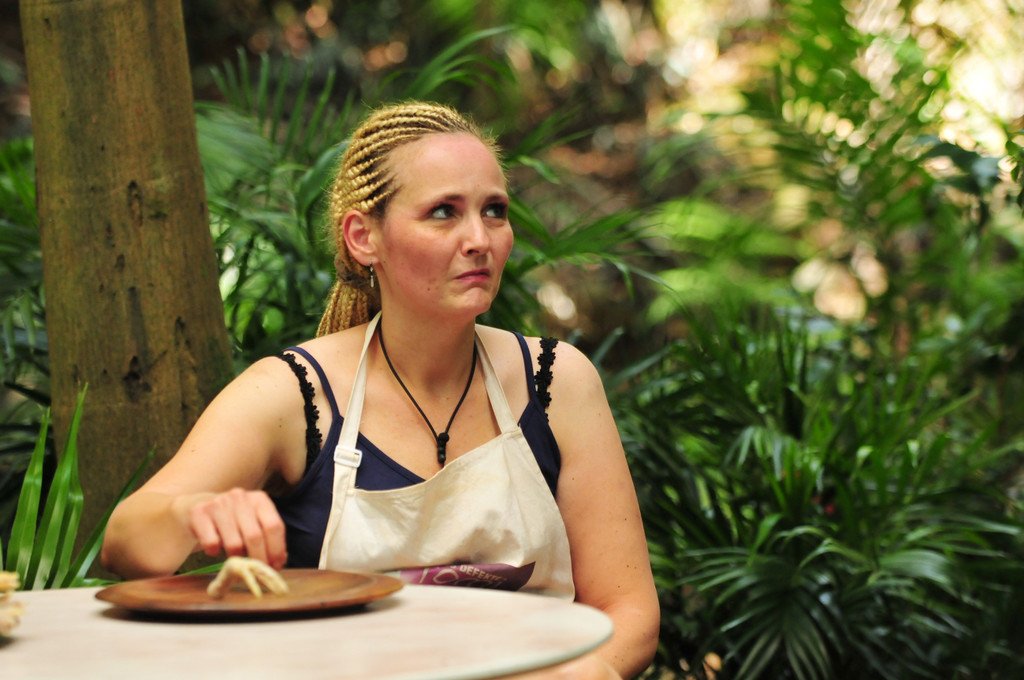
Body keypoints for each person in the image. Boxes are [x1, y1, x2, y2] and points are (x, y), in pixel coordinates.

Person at [101, 101, 659, 678]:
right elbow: (125, 540)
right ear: (364, 237)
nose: (479, 238)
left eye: (494, 211)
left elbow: (629, 610)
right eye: (443, 212)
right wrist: (193, 513)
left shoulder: (556, 380)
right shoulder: (293, 395)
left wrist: (585, 674)